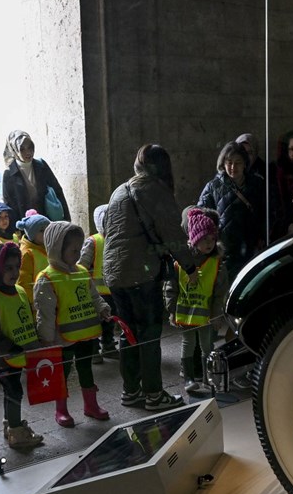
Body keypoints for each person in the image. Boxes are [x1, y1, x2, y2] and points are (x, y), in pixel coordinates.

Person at [102, 143, 200, 411]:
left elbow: (109, 231)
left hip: (114, 275)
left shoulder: (119, 190)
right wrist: (190, 267)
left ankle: (131, 391)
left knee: (128, 334)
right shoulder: (155, 190)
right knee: (148, 335)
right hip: (141, 274)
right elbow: (173, 233)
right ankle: (154, 395)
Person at [34, 222, 112, 427]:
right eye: (73, 250)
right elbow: (45, 313)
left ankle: (91, 405)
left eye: (79, 249)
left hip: (86, 334)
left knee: (86, 369)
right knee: (62, 373)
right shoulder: (47, 278)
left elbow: (93, 296)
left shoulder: (82, 272)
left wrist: (102, 308)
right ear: (57, 248)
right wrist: (46, 339)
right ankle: (61, 410)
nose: (78, 255)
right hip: (62, 339)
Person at [0, 242, 44, 450]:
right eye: (8, 268)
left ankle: (11, 425)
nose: (15, 273)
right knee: (14, 392)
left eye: (16, 267)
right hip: (2, 357)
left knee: (11, 391)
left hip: (18, 355)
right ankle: (16, 431)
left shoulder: (20, 291)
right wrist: (10, 348)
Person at [164, 208, 229, 394]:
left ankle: (208, 378)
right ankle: (189, 378)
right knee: (188, 344)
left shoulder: (217, 263)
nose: (209, 243)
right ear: (194, 239)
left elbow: (220, 293)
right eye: (204, 239)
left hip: (206, 315)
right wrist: (172, 310)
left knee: (207, 346)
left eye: (212, 239)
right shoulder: (179, 262)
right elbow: (171, 287)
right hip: (185, 314)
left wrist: (217, 314)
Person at [196, 140, 266, 278]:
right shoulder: (213, 186)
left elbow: (266, 212)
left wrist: (262, 234)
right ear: (223, 163)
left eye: (238, 162)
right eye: (229, 162)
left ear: (245, 163)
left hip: (251, 248)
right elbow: (201, 215)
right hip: (225, 252)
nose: (233, 167)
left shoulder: (257, 184)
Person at [2, 130, 71, 223]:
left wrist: (66, 219)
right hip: (25, 224)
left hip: (47, 220)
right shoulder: (9, 173)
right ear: (14, 150)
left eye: (30, 147)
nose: (28, 152)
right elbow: (9, 204)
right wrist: (15, 227)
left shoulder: (41, 165)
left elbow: (58, 191)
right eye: (22, 149)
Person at [79, 204, 118, 362]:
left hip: (113, 289)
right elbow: (82, 265)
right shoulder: (93, 241)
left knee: (110, 320)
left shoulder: (117, 239)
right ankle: (94, 350)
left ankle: (108, 345)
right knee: (95, 322)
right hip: (96, 291)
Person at [15, 211, 51, 307]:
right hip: (37, 304)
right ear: (32, 234)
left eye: (48, 229)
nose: (46, 233)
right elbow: (24, 283)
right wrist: (33, 303)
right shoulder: (27, 254)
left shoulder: (46, 247)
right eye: (41, 230)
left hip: (48, 299)